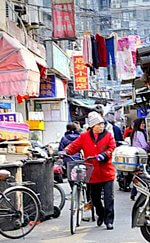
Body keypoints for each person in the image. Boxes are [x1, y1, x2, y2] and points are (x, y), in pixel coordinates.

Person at [64, 111, 116, 230]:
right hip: (92, 173)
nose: (101, 126)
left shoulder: (108, 136)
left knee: (109, 198)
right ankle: (100, 214)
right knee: (95, 198)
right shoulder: (84, 137)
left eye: (102, 124)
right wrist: (65, 151)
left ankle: (109, 221)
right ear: (92, 126)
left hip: (107, 172)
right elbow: (74, 146)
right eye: (98, 125)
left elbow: (112, 147)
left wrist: (105, 154)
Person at [130, 118, 150, 200]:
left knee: (138, 174)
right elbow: (144, 146)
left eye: (144, 124)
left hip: (137, 156)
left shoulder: (135, 133)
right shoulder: (140, 133)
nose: (144, 125)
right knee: (142, 174)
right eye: (142, 124)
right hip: (141, 156)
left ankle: (133, 193)